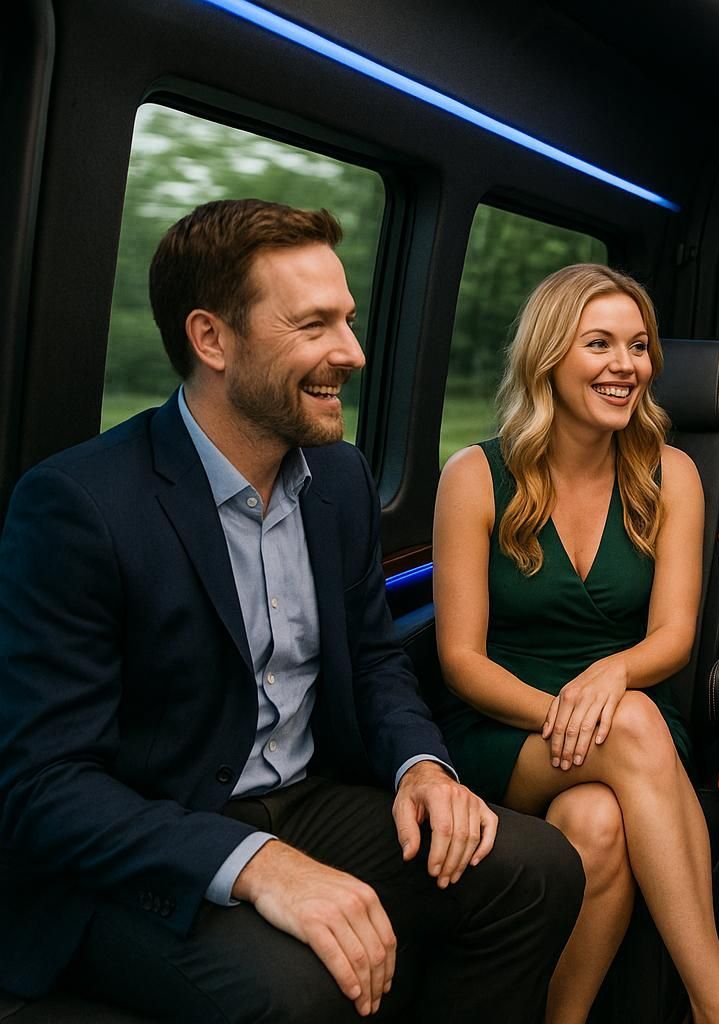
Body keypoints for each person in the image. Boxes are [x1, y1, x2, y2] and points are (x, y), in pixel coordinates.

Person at [0, 199, 585, 1022]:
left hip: (312, 798)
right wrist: (255, 862)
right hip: (149, 853)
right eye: (315, 326)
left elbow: (378, 660)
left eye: (347, 320)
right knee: (302, 991)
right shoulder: (78, 506)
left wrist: (423, 767)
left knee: (539, 867)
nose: (353, 352)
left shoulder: (339, 479)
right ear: (212, 340)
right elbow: (44, 787)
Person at [431, 263, 719, 1024]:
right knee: (632, 726)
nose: (626, 366)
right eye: (600, 344)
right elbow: (461, 662)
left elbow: (674, 639)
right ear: (549, 356)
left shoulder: (671, 473)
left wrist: (612, 676)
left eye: (638, 347)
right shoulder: (473, 476)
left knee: (597, 824)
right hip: (509, 726)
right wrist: (572, 715)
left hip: (631, 709)